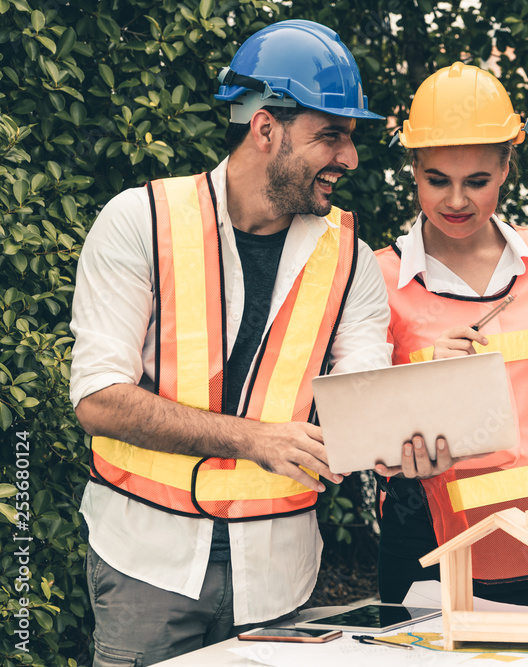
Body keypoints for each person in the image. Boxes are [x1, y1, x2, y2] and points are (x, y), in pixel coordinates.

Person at [70, 20, 392, 665]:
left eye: (350, 139)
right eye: (331, 135)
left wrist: (398, 436)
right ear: (265, 128)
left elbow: (364, 407)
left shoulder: (352, 259)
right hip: (146, 568)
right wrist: (252, 438)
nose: (349, 159)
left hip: (280, 580)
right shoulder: (140, 222)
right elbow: (98, 399)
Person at [371, 62, 528, 609]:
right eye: (437, 180)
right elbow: (365, 439)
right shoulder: (379, 276)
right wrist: (420, 381)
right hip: (428, 545)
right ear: (413, 171)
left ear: (505, 168)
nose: (456, 200)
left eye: (477, 181)